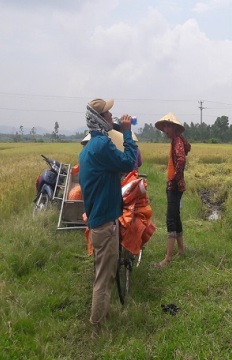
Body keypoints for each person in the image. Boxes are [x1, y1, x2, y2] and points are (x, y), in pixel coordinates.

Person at [78, 98, 137, 336]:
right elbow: (129, 161)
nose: (112, 117)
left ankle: (101, 314)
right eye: (108, 114)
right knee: (104, 277)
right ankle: (96, 329)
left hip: (97, 220)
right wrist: (127, 133)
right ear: (100, 118)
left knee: (103, 272)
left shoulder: (90, 146)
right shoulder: (102, 145)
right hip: (105, 223)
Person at [154, 112, 191, 268]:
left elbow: (181, 160)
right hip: (175, 185)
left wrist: (174, 179)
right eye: (164, 127)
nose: (164, 130)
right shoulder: (177, 141)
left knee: (170, 219)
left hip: (175, 186)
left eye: (167, 126)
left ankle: (167, 259)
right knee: (175, 217)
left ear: (174, 128)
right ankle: (181, 249)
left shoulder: (177, 142)